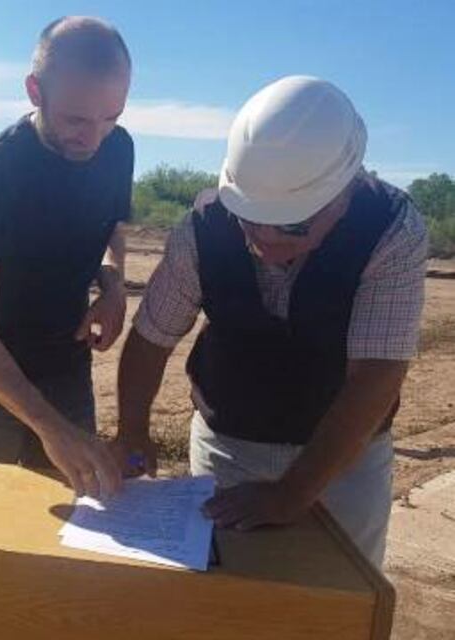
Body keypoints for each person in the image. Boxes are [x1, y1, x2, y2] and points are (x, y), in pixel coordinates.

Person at [114, 76, 427, 567]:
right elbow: (152, 337)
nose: (265, 240)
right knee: (225, 595)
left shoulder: (391, 228)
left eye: (292, 225)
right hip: (227, 448)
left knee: (337, 598)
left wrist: (293, 492)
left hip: (346, 460)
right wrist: (132, 430)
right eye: (250, 217)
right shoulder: (204, 227)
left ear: (343, 194)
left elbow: (377, 375)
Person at [0, 16, 134, 499]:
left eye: (110, 117)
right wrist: (52, 428)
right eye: (76, 120)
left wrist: (113, 286)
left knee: (74, 511)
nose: (94, 138)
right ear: (34, 90)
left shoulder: (118, 149)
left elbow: (112, 226)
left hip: (66, 366)